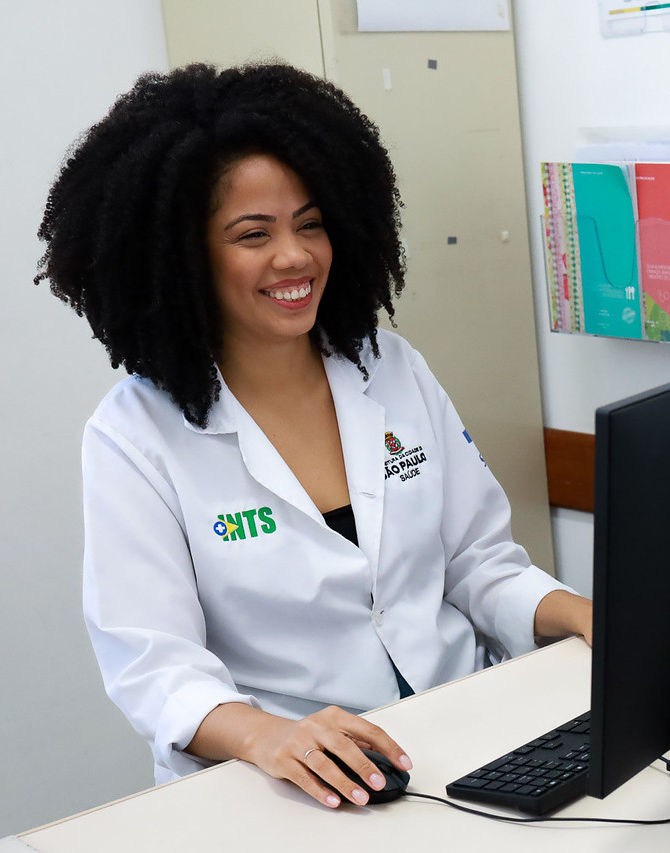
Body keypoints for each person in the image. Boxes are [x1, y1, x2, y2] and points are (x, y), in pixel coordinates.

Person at [38, 62, 593, 811]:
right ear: (181, 257)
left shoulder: (389, 367)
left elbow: (477, 564)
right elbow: (155, 667)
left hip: (464, 732)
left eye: (310, 223)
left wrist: (583, 615)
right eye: (252, 234)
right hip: (290, 787)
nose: (295, 256)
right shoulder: (135, 435)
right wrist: (267, 736)